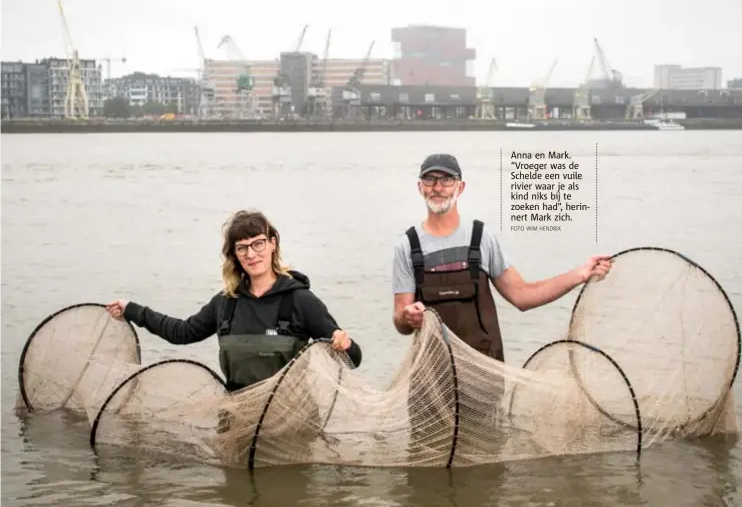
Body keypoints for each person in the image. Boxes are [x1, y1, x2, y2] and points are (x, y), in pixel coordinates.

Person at [106, 209, 362, 392]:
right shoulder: (226, 303)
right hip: (237, 416)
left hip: (290, 420)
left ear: (273, 244)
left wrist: (345, 343)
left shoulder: (301, 300)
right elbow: (182, 333)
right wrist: (132, 309)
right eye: (242, 247)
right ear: (234, 255)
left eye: (258, 244)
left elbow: (353, 359)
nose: (251, 254)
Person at [392, 153, 613, 363]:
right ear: (420, 187)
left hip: (484, 372)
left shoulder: (481, 238)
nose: (438, 188)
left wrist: (580, 274)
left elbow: (522, 296)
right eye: (430, 180)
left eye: (447, 180)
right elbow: (401, 322)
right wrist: (407, 317)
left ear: (461, 187)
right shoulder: (407, 246)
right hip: (429, 375)